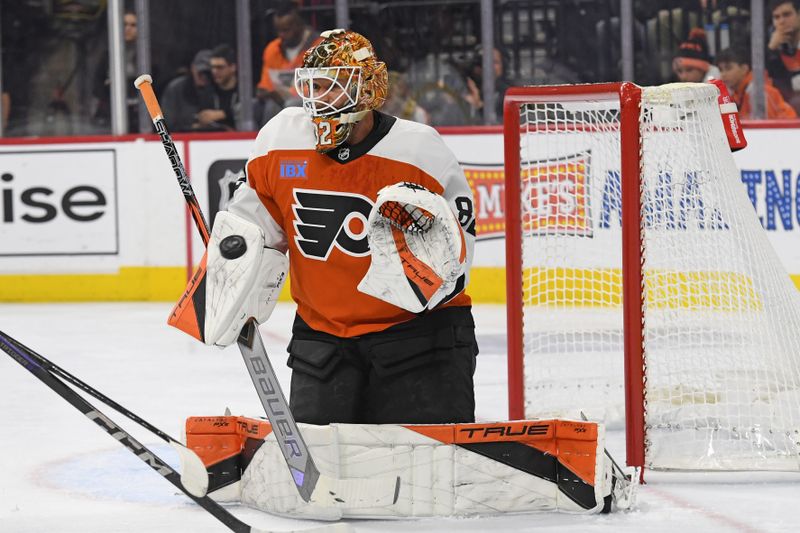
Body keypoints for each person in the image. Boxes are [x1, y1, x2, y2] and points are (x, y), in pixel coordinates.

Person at [201, 29, 478, 425]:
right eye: (312, 86)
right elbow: (253, 231)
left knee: (425, 473)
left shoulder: (419, 150)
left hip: (419, 341)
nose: (319, 99)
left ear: (367, 90)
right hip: (323, 341)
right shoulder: (279, 139)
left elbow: (458, 254)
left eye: (333, 87)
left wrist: (421, 268)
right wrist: (230, 270)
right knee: (322, 475)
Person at [256, 0, 319, 109]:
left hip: (311, 100)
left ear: (299, 25)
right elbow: (265, 85)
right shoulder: (272, 48)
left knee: (291, 105)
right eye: (278, 30)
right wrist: (265, 92)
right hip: (279, 101)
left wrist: (290, 94)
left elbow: (322, 86)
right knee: (255, 105)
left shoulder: (319, 46)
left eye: (286, 30)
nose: (281, 35)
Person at [717, 46, 798, 119]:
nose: (723, 74)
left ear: (744, 69)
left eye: (728, 68)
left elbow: (766, 127)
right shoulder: (734, 93)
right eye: (721, 70)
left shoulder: (758, 91)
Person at [93, 9, 139, 132]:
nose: (128, 28)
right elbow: (97, 86)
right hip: (111, 117)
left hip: (139, 117)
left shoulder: (148, 57)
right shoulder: (108, 55)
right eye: (124, 24)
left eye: (133, 25)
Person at [160, 50, 216, 132]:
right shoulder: (175, 88)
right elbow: (167, 123)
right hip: (180, 137)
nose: (204, 76)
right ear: (193, 68)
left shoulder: (217, 89)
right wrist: (193, 127)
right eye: (201, 72)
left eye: (207, 73)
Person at [766, 0, 800, 112]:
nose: (781, 21)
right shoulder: (771, 47)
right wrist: (771, 49)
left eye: (787, 15)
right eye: (776, 17)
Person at [196, 44, 238, 131]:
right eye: (212, 67)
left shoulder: (244, 91)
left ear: (233, 67)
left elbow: (251, 112)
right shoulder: (208, 92)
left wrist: (224, 114)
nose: (215, 71)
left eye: (220, 67)